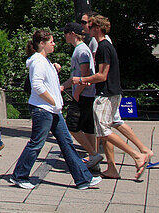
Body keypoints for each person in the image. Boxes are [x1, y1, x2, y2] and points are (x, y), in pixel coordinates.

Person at [10, 30, 100, 190]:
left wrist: (54, 70)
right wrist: (52, 100)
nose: (54, 44)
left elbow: (46, 82)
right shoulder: (38, 61)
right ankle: (19, 176)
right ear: (42, 44)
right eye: (51, 41)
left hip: (52, 110)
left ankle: (83, 178)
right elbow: (37, 85)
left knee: (66, 143)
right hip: (43, 109)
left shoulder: (44, 61)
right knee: (37, 143)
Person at [74, 14, 148, 180]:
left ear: (98, 29)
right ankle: (112, 169)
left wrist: (81, 80)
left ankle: (137, 155)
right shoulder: (104, 46)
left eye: (90, 26)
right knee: (105, 130)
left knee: (103, 130)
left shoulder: (103, 47)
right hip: (110, 93)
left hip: (106, 94)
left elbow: (102, 75)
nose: (87, 28)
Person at [60, 22, 101, 167]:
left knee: (72, 125)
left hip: (83, 95)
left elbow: (84, 75)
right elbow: (76, 76)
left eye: (65, 33)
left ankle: (93, 154)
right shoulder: (80, 50)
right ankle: (93, 158)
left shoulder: (82, 51)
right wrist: (64, 86)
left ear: (72, 34)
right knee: (88, 127)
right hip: (86, 94)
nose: (64, 36)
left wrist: (76, 93)